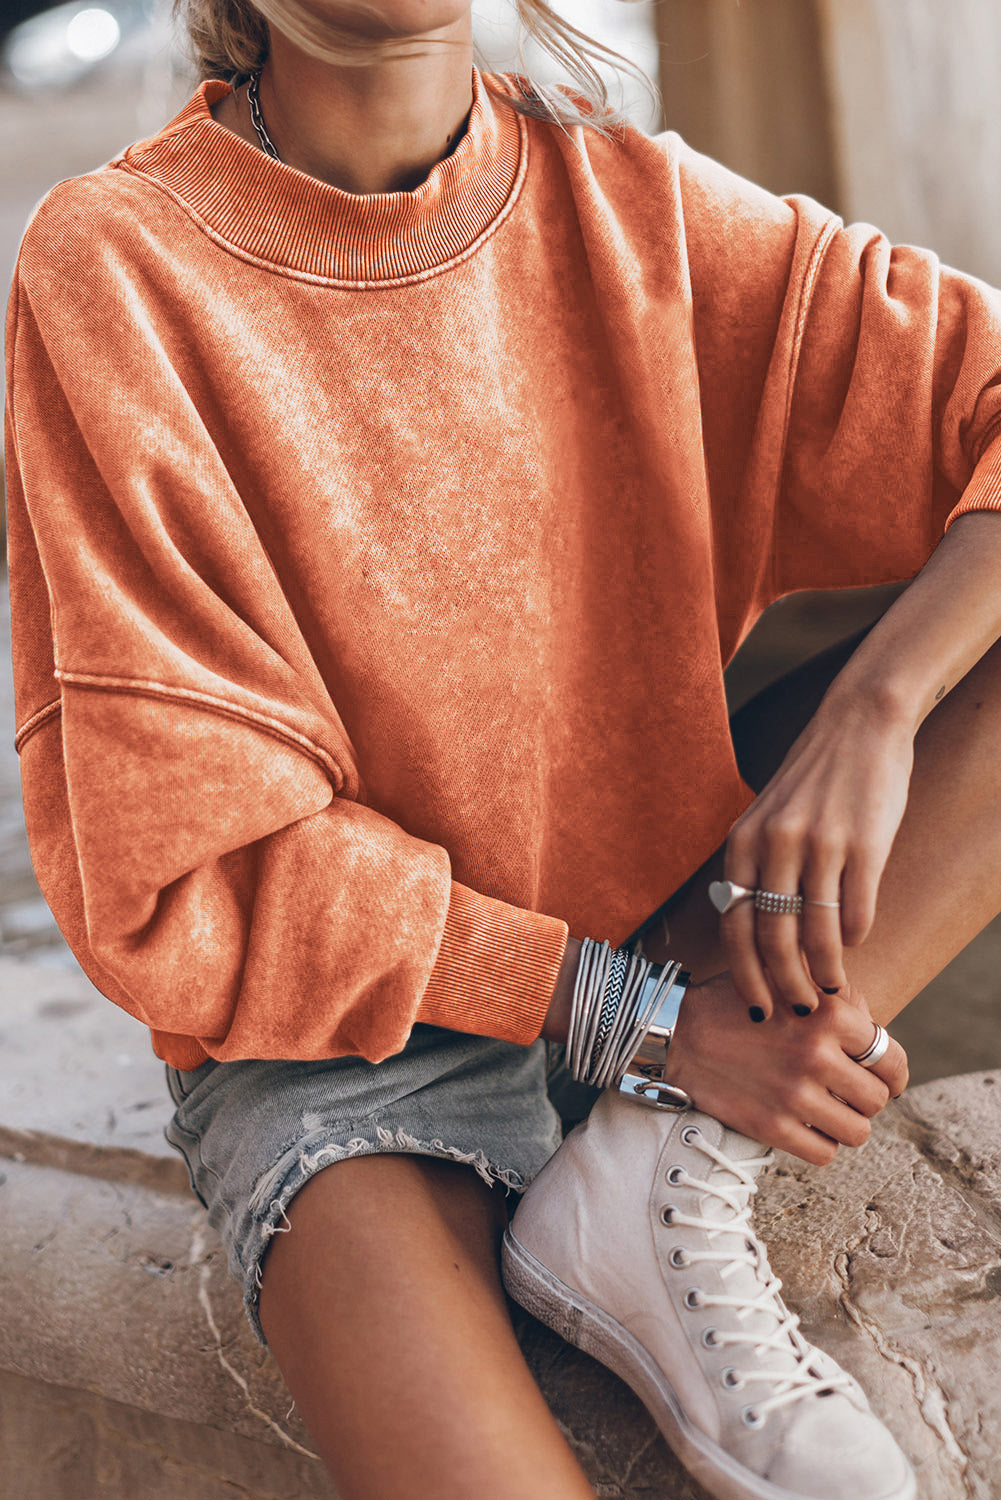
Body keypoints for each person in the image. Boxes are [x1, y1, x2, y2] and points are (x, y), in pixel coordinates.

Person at [5, 0, 1001, 1494]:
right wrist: (643, 1025)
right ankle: (647, 1124)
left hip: (678, 935)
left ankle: (659, 1168)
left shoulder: (627, 202)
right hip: (345, 1057)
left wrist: (877, 704)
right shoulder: (116, 264)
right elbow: (192, 869)